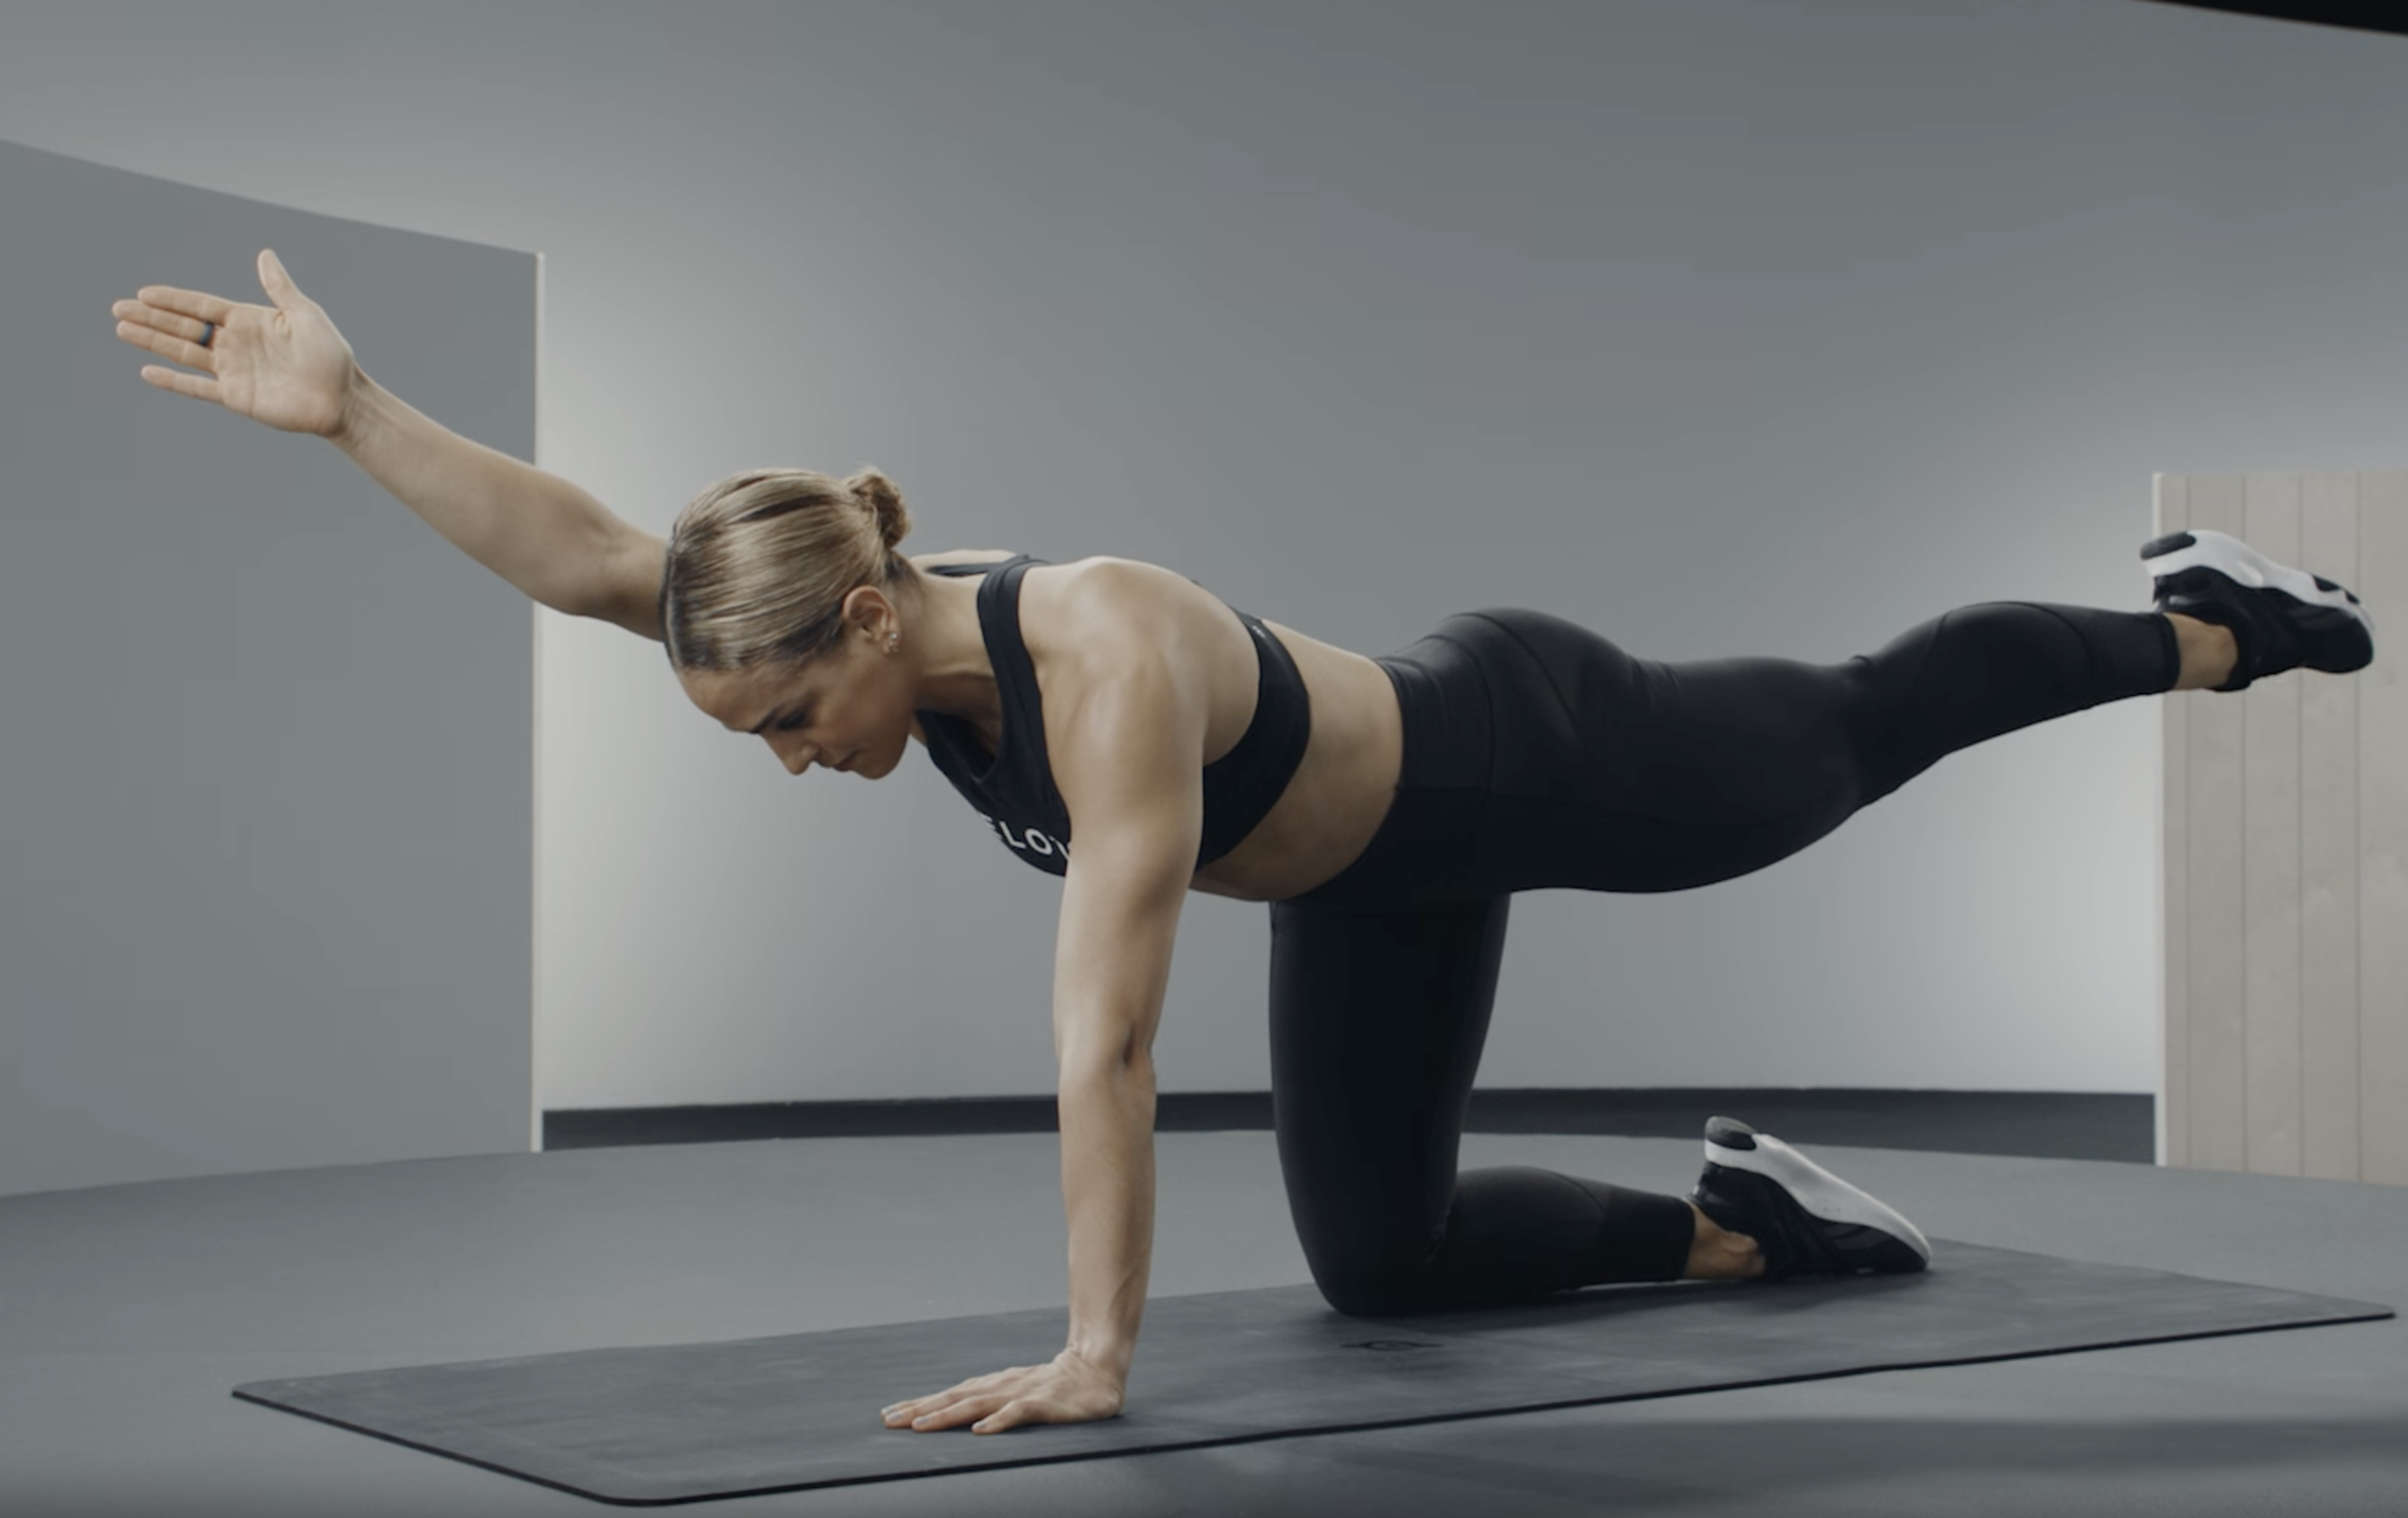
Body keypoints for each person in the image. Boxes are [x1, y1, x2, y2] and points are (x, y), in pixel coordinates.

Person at [112, 250, 2377, 1440]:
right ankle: (1752, 1223)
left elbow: (1107, 1041)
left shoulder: (1096, 659)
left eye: (793, 712)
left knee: (1859, 736)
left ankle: (2211, 623)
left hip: (1528, 740)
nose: (785, 752)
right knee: (1377, 1272)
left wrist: (1096, 1346)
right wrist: (354, 415)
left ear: (872, 620)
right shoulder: (836, 623)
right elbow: (601, 549)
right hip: (1372, 872)